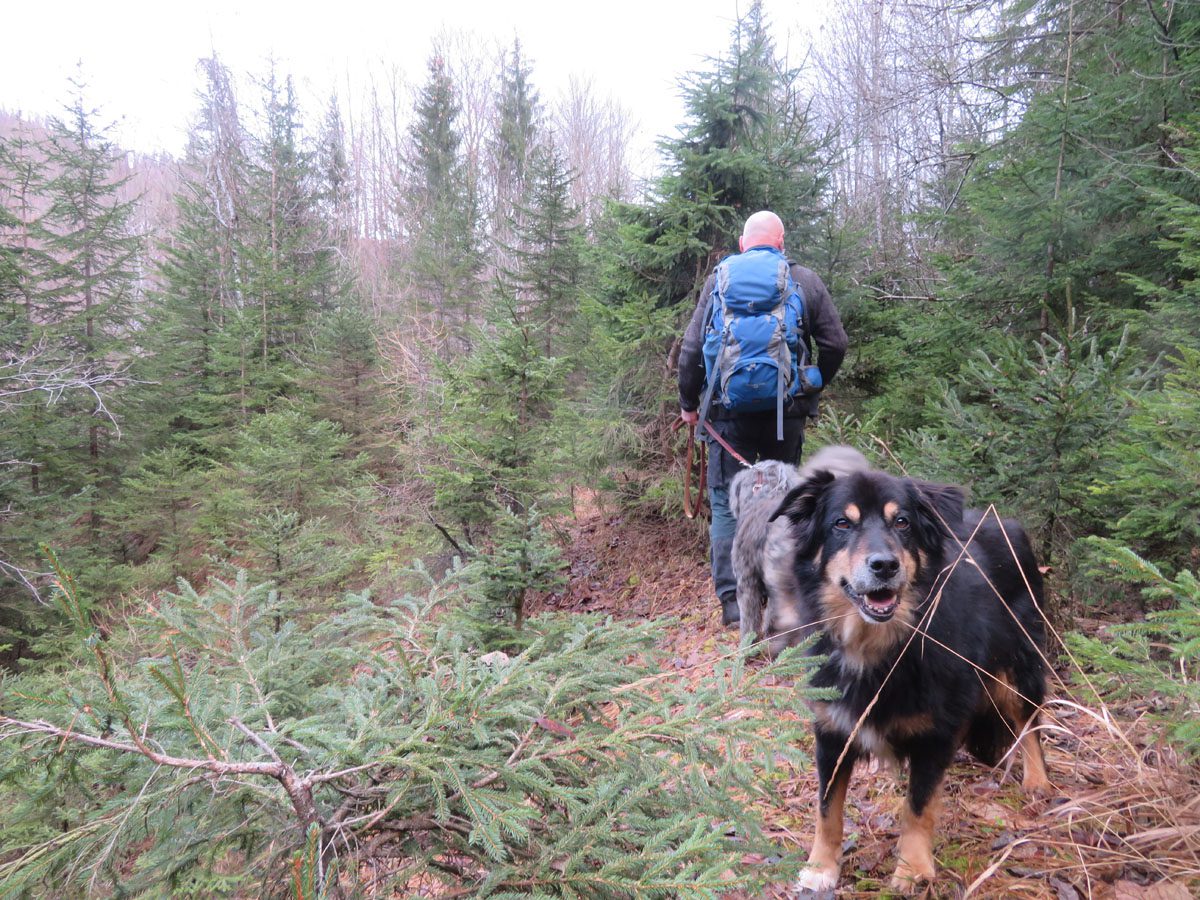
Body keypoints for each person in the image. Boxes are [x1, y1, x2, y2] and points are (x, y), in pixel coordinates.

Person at [678, 210, 847, 626]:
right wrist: (812, 384)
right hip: (784, 413)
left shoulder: (718, 281)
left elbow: (692, 349)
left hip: (726, 415)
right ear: (781, 243)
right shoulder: (802, 280)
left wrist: (688, 404)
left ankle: (734, 606)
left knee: (725, 504)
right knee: (784, 500)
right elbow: (836, 343)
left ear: (742, 244)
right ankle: (781, 596)